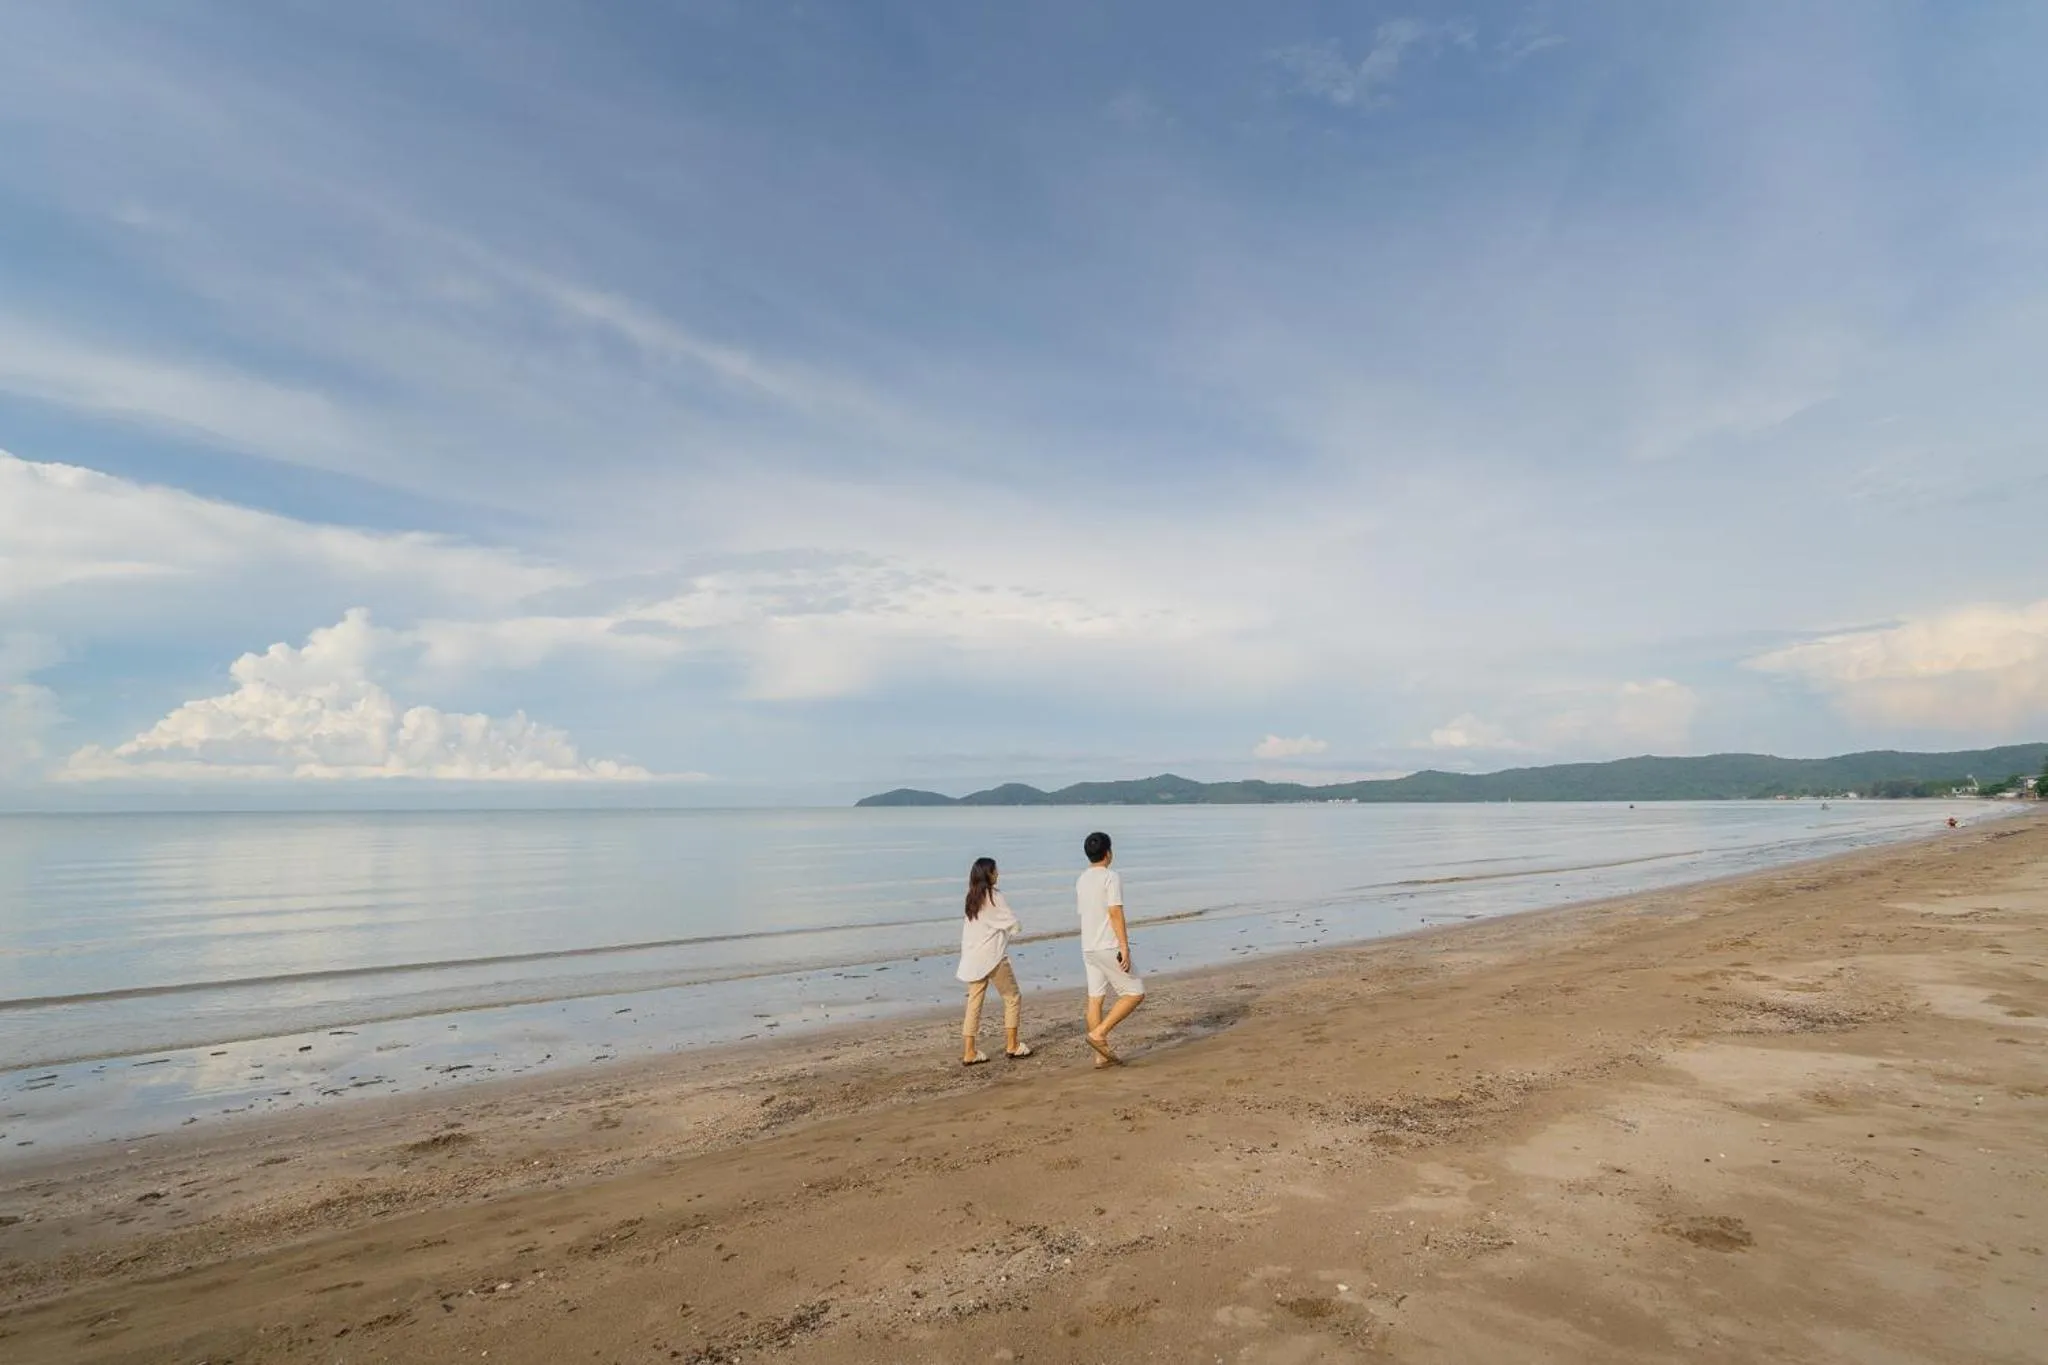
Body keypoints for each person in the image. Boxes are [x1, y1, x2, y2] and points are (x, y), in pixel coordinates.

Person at [1076, 831, 1144, 1066]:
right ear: (1108, 853)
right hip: (1107, 946)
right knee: (1135, 992)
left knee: (1095, 998)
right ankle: (1099, 1033)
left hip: (1089, 947)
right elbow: (1115, 912)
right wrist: (1124, 946)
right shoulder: (1110, 877)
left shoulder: (1082, 879)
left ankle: (1100, 1055)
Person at [957, 856, 1032, 1065]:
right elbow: (1012, 923)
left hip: (973, 957)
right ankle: (1013, 1045)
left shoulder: (971, 898)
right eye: (995, 870)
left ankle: (969, 1051)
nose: (998, 873)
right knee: (1012, 997)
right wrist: (1015, 928)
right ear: (988, 875)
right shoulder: (994, 897)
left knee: (974, 1003)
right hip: (992, 957)